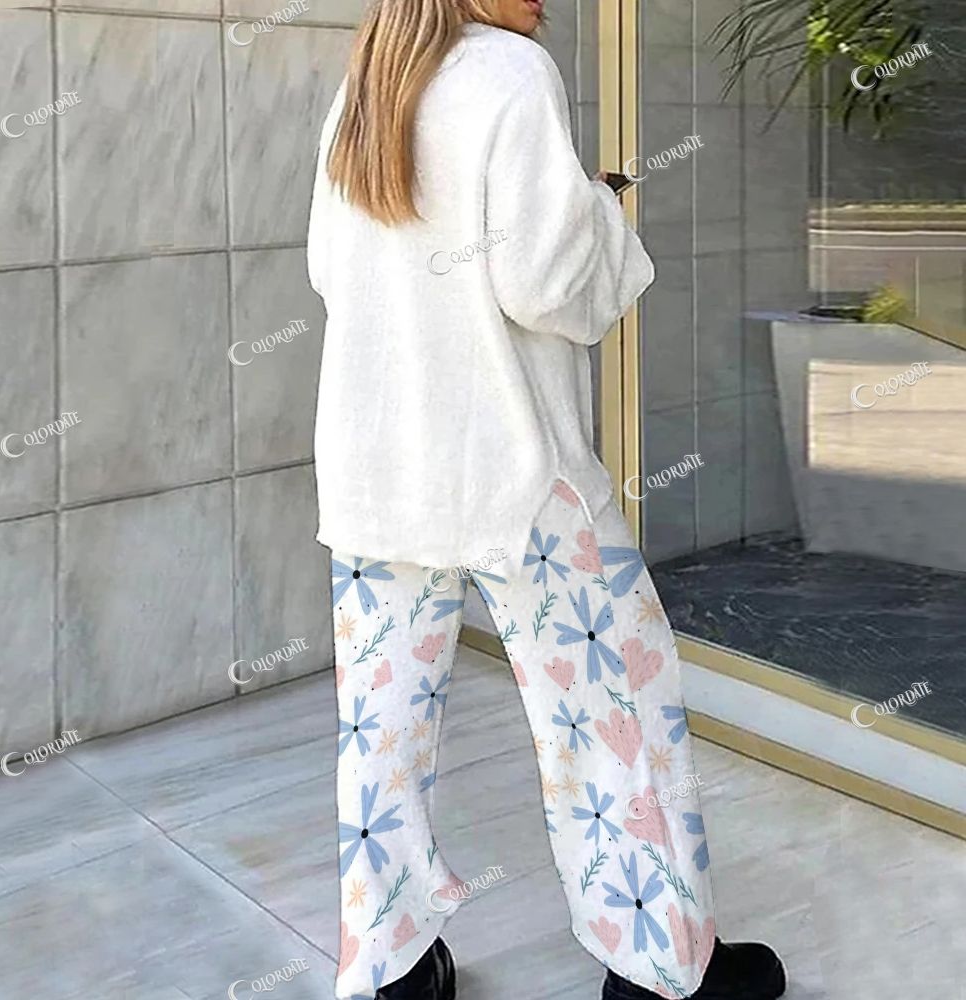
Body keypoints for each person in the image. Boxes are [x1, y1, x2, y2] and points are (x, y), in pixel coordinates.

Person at [307, 1, 787, 998]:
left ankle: (392, 969)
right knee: (615, 714)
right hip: (515, 477)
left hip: (375, 472)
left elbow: (330, 270)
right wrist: (599, 211)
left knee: (380, 739)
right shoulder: (510, 72)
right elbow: (550, 284)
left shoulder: (367, 84)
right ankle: (660, 969)